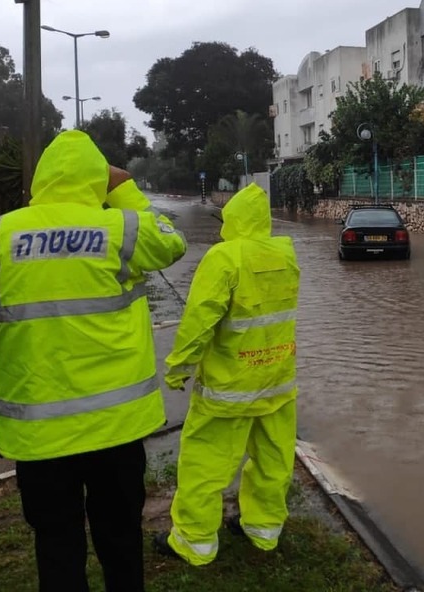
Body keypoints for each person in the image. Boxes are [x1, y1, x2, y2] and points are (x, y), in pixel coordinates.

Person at [0, 130, 187, 592]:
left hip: (41, 433)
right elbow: (172, 242)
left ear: (41, 179)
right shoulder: (122, 229)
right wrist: (125, 188)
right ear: (97, 179)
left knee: (57, 544)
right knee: (121, 540)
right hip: (117, 428)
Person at [153, 182, 300, 566]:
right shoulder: (286, 255)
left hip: (229, 388)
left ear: (232, 218)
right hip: (277, 381)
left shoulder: (224, 258)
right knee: (273, 461)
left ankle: (194, 541)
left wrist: (179, 368)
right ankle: (263, 531)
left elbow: (199, 321)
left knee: (205, 464)